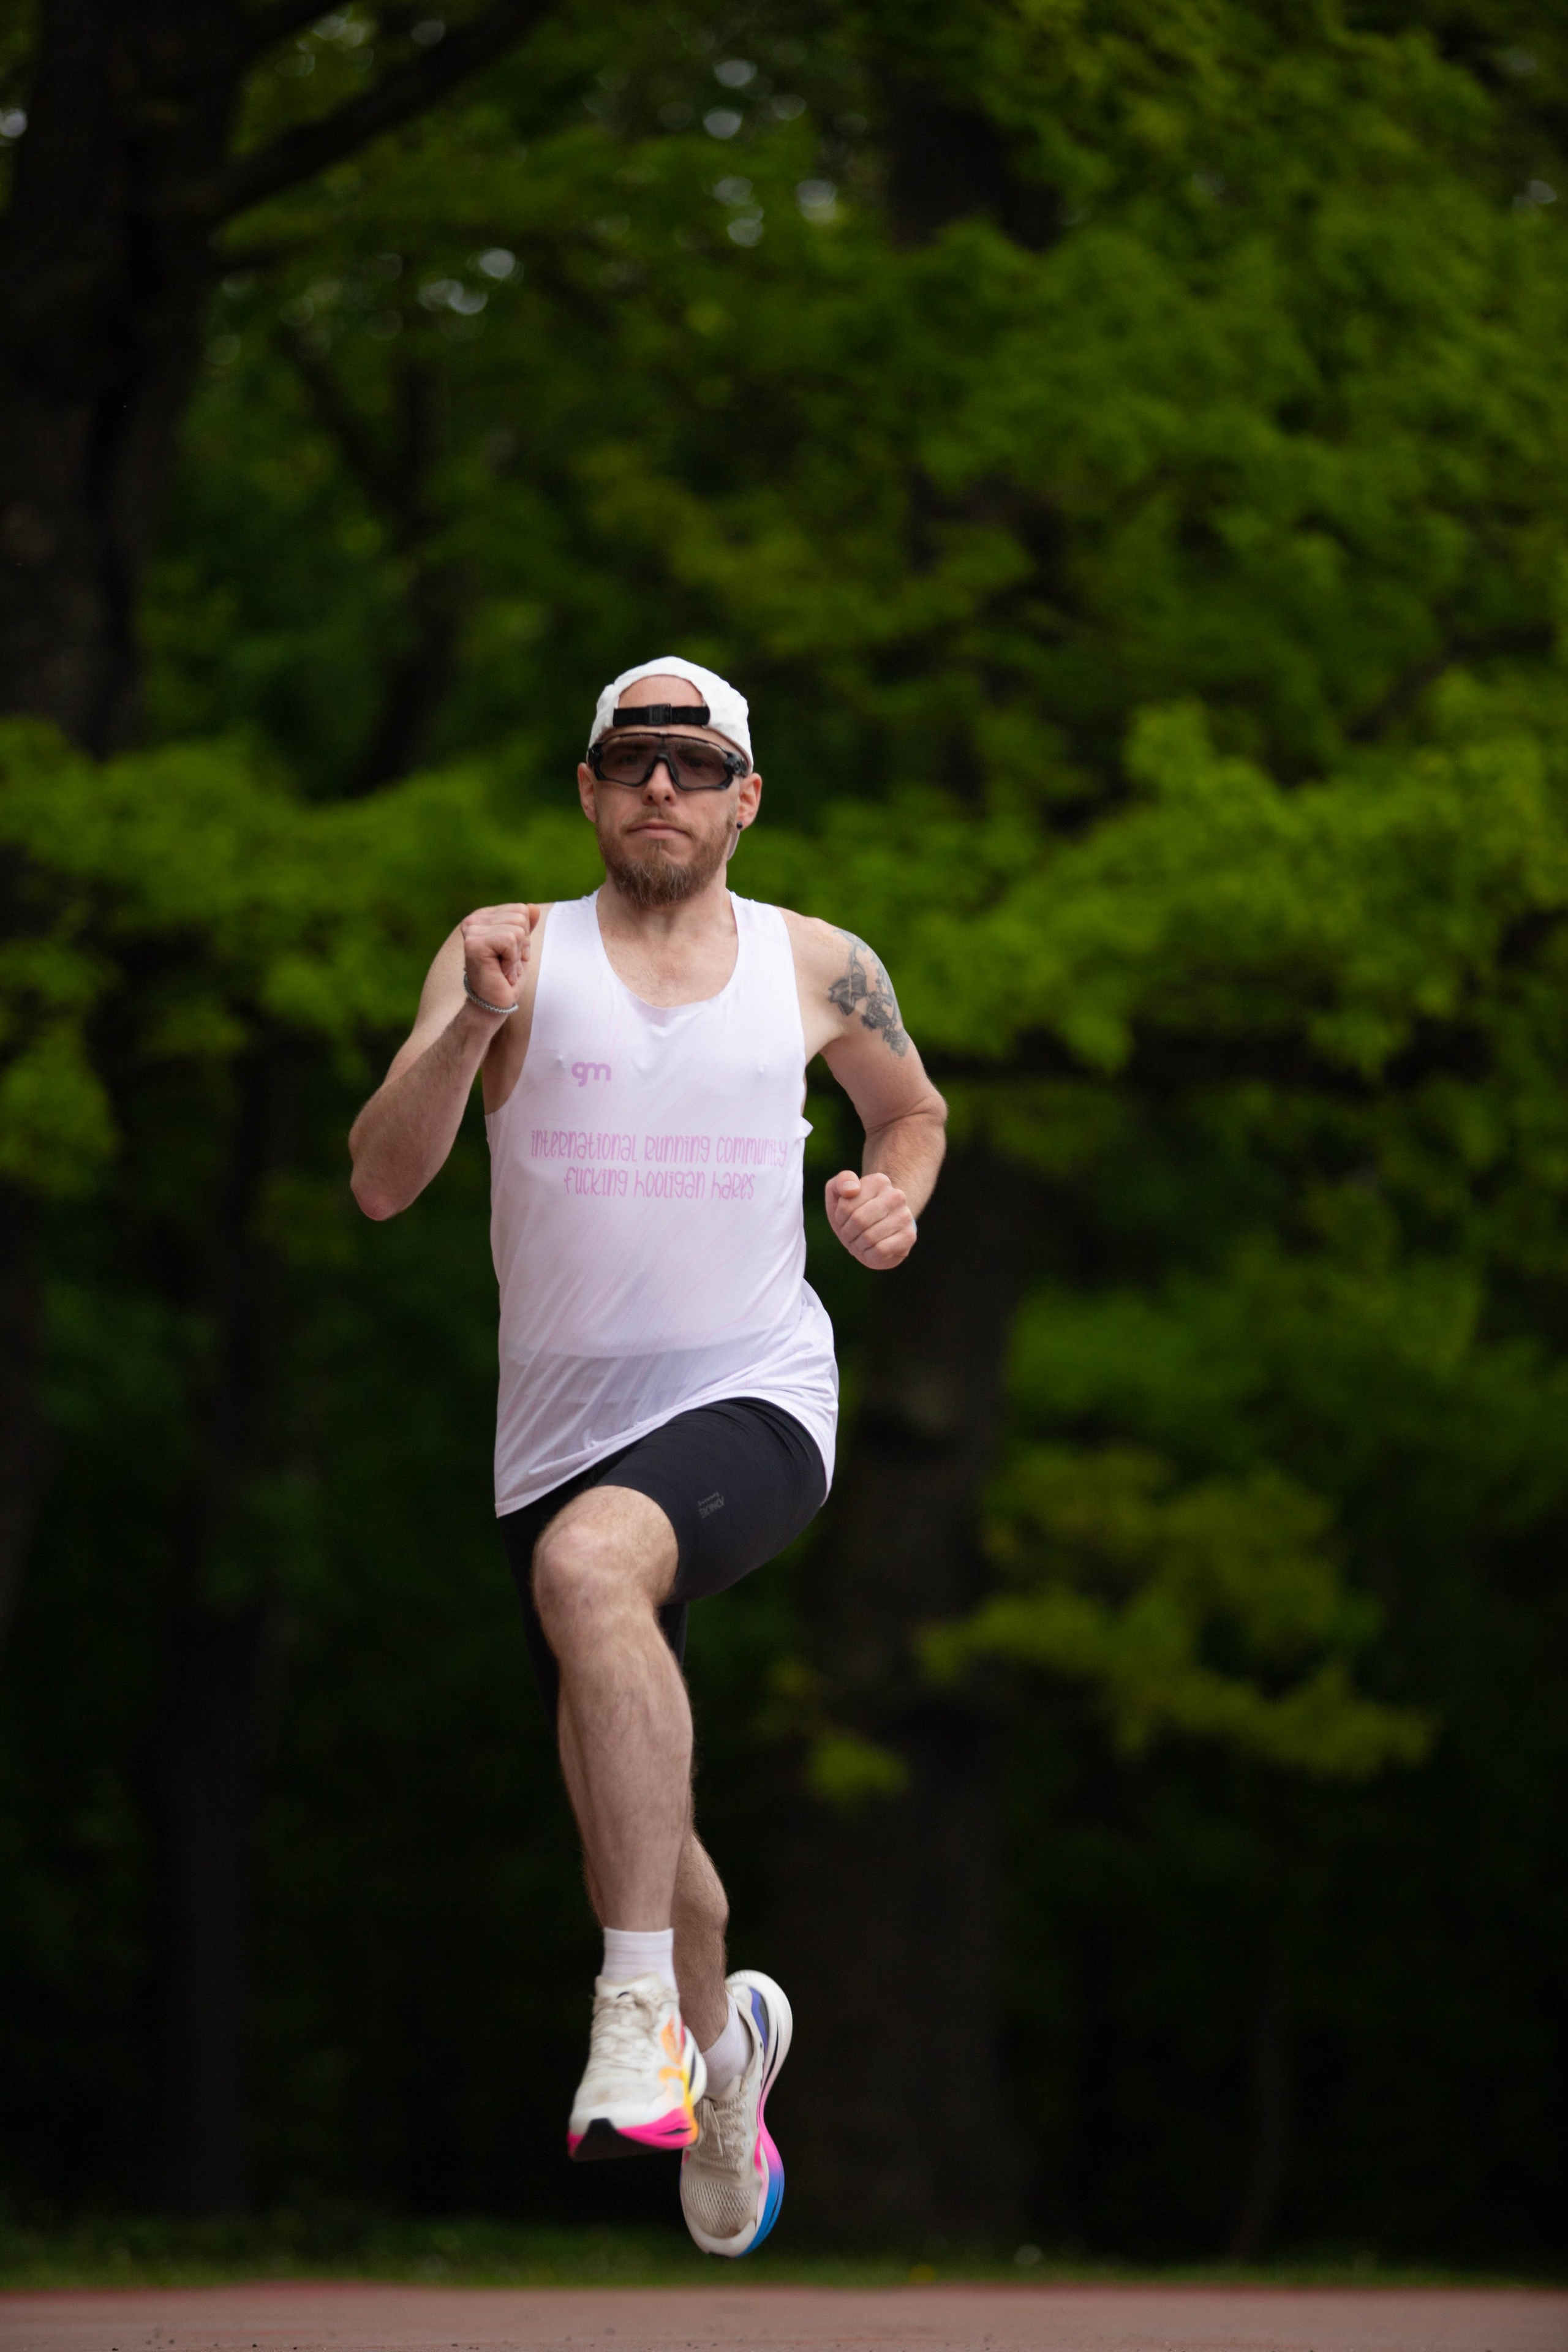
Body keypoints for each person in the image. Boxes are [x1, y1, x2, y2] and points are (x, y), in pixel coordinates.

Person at [347, 659, 946, 2255]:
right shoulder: (509, 956)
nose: (660, 787)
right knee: (645, 1820)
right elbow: (384, 1183)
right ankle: (727, 2047)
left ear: (748, 796)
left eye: (693, 762)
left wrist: (896, 1198)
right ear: (590, 792)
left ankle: (631, 2030)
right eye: (631, 761)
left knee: (589, 1566)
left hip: (754, 1394)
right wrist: (459, 1031)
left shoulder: (821, 967)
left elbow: (913, 1112)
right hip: (556, 1426)